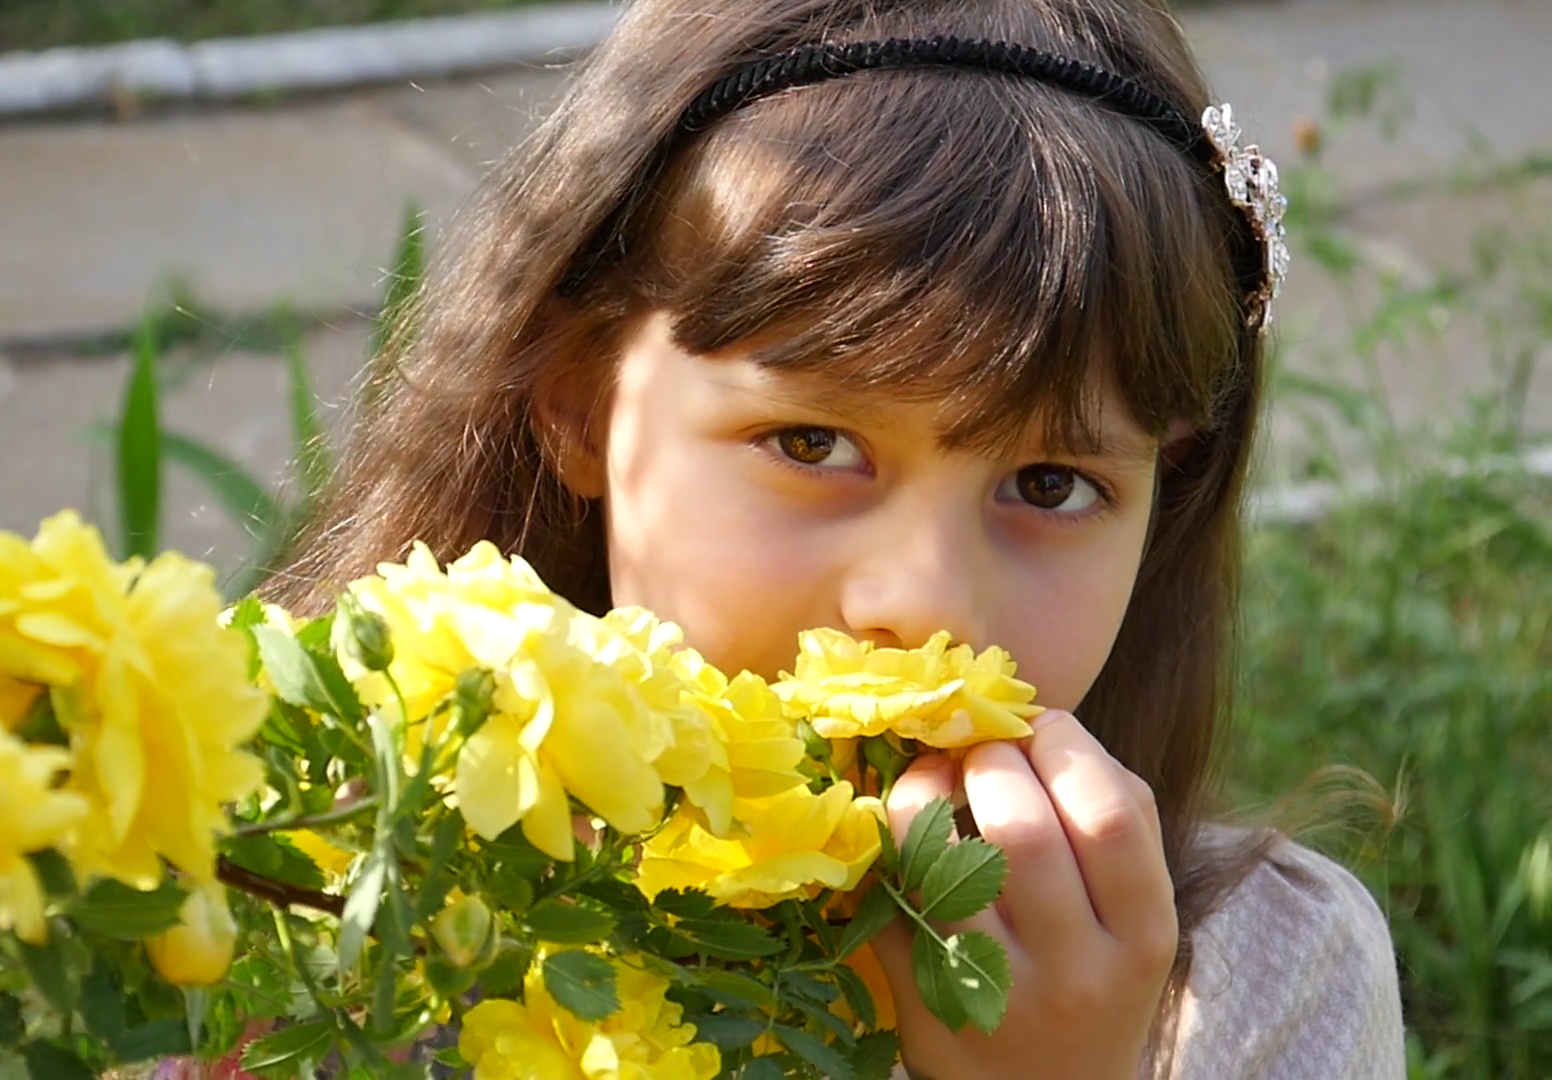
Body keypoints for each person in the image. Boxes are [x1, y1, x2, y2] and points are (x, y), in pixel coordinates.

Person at [262, 0, 1404, 1075]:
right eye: (812, 444)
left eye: (1050, 484)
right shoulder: (323, 904)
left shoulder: (1264, 982)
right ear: (578, 404)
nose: (927, 605)